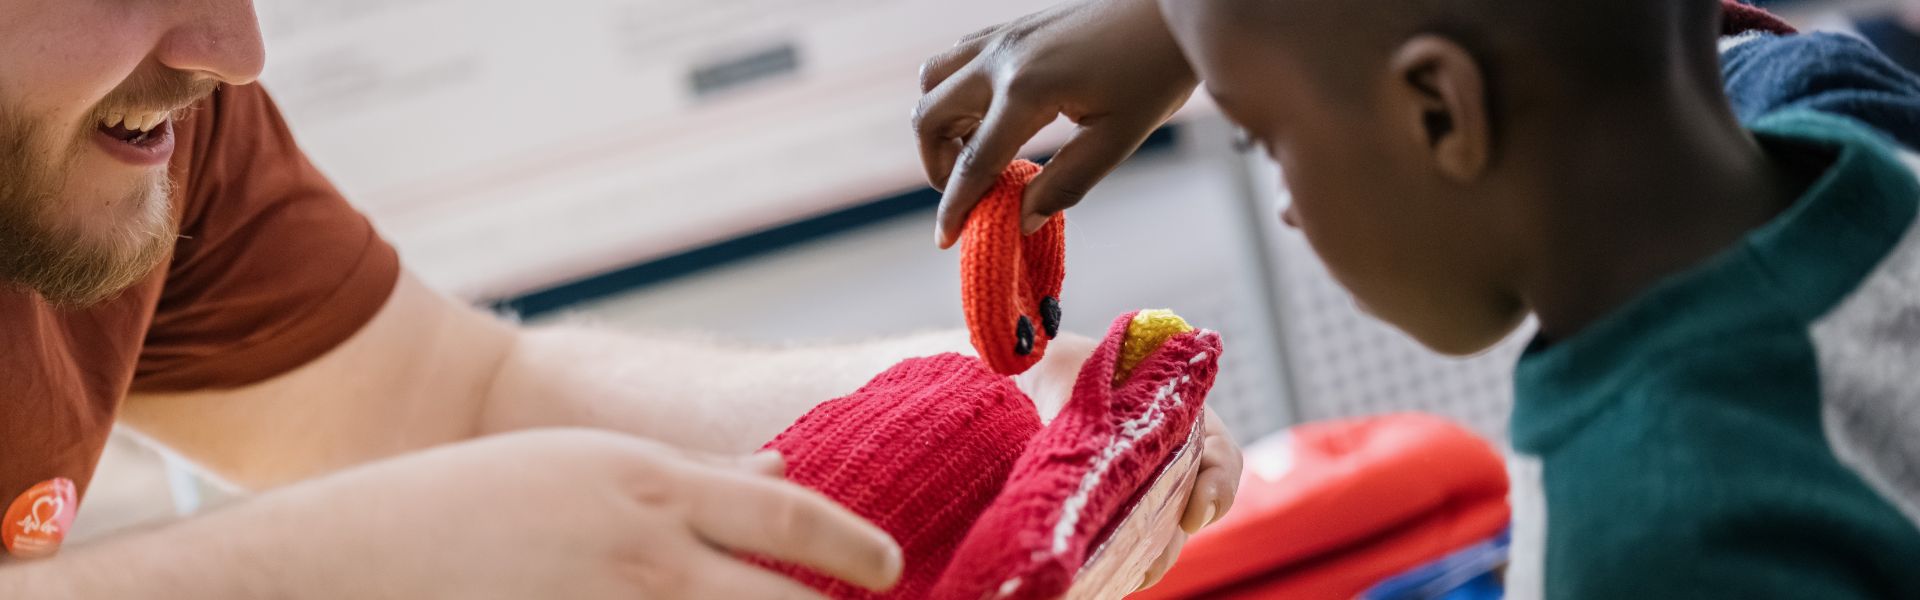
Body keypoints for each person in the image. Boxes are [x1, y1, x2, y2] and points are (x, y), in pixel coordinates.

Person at [0, 0, 1247, 597]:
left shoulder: (145, 124)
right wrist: (377, 564)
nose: (231, 50)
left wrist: (971, 401)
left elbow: (459, 396)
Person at [915, 0, 1920, 596]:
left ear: (1441, 110)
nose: (1286, 209)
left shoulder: (1647, 539)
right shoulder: (1842, 104)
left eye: (1269, 137)